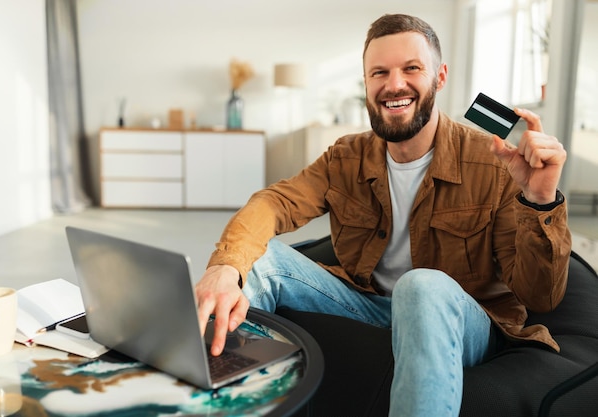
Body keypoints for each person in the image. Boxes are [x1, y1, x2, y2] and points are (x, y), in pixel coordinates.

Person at [195, 13, 571, 417]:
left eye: (412, 68)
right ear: (367, 84)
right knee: (259, 261)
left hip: (463, 320)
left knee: (420, 287)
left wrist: (540, 198)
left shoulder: (494, 162)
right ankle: (224, 403)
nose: (394, 84)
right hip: (370, 305)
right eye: (379, 73)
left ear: (439, 77)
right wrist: (224, 267)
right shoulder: (345, 156)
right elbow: (275, 202)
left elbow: (539, 297)